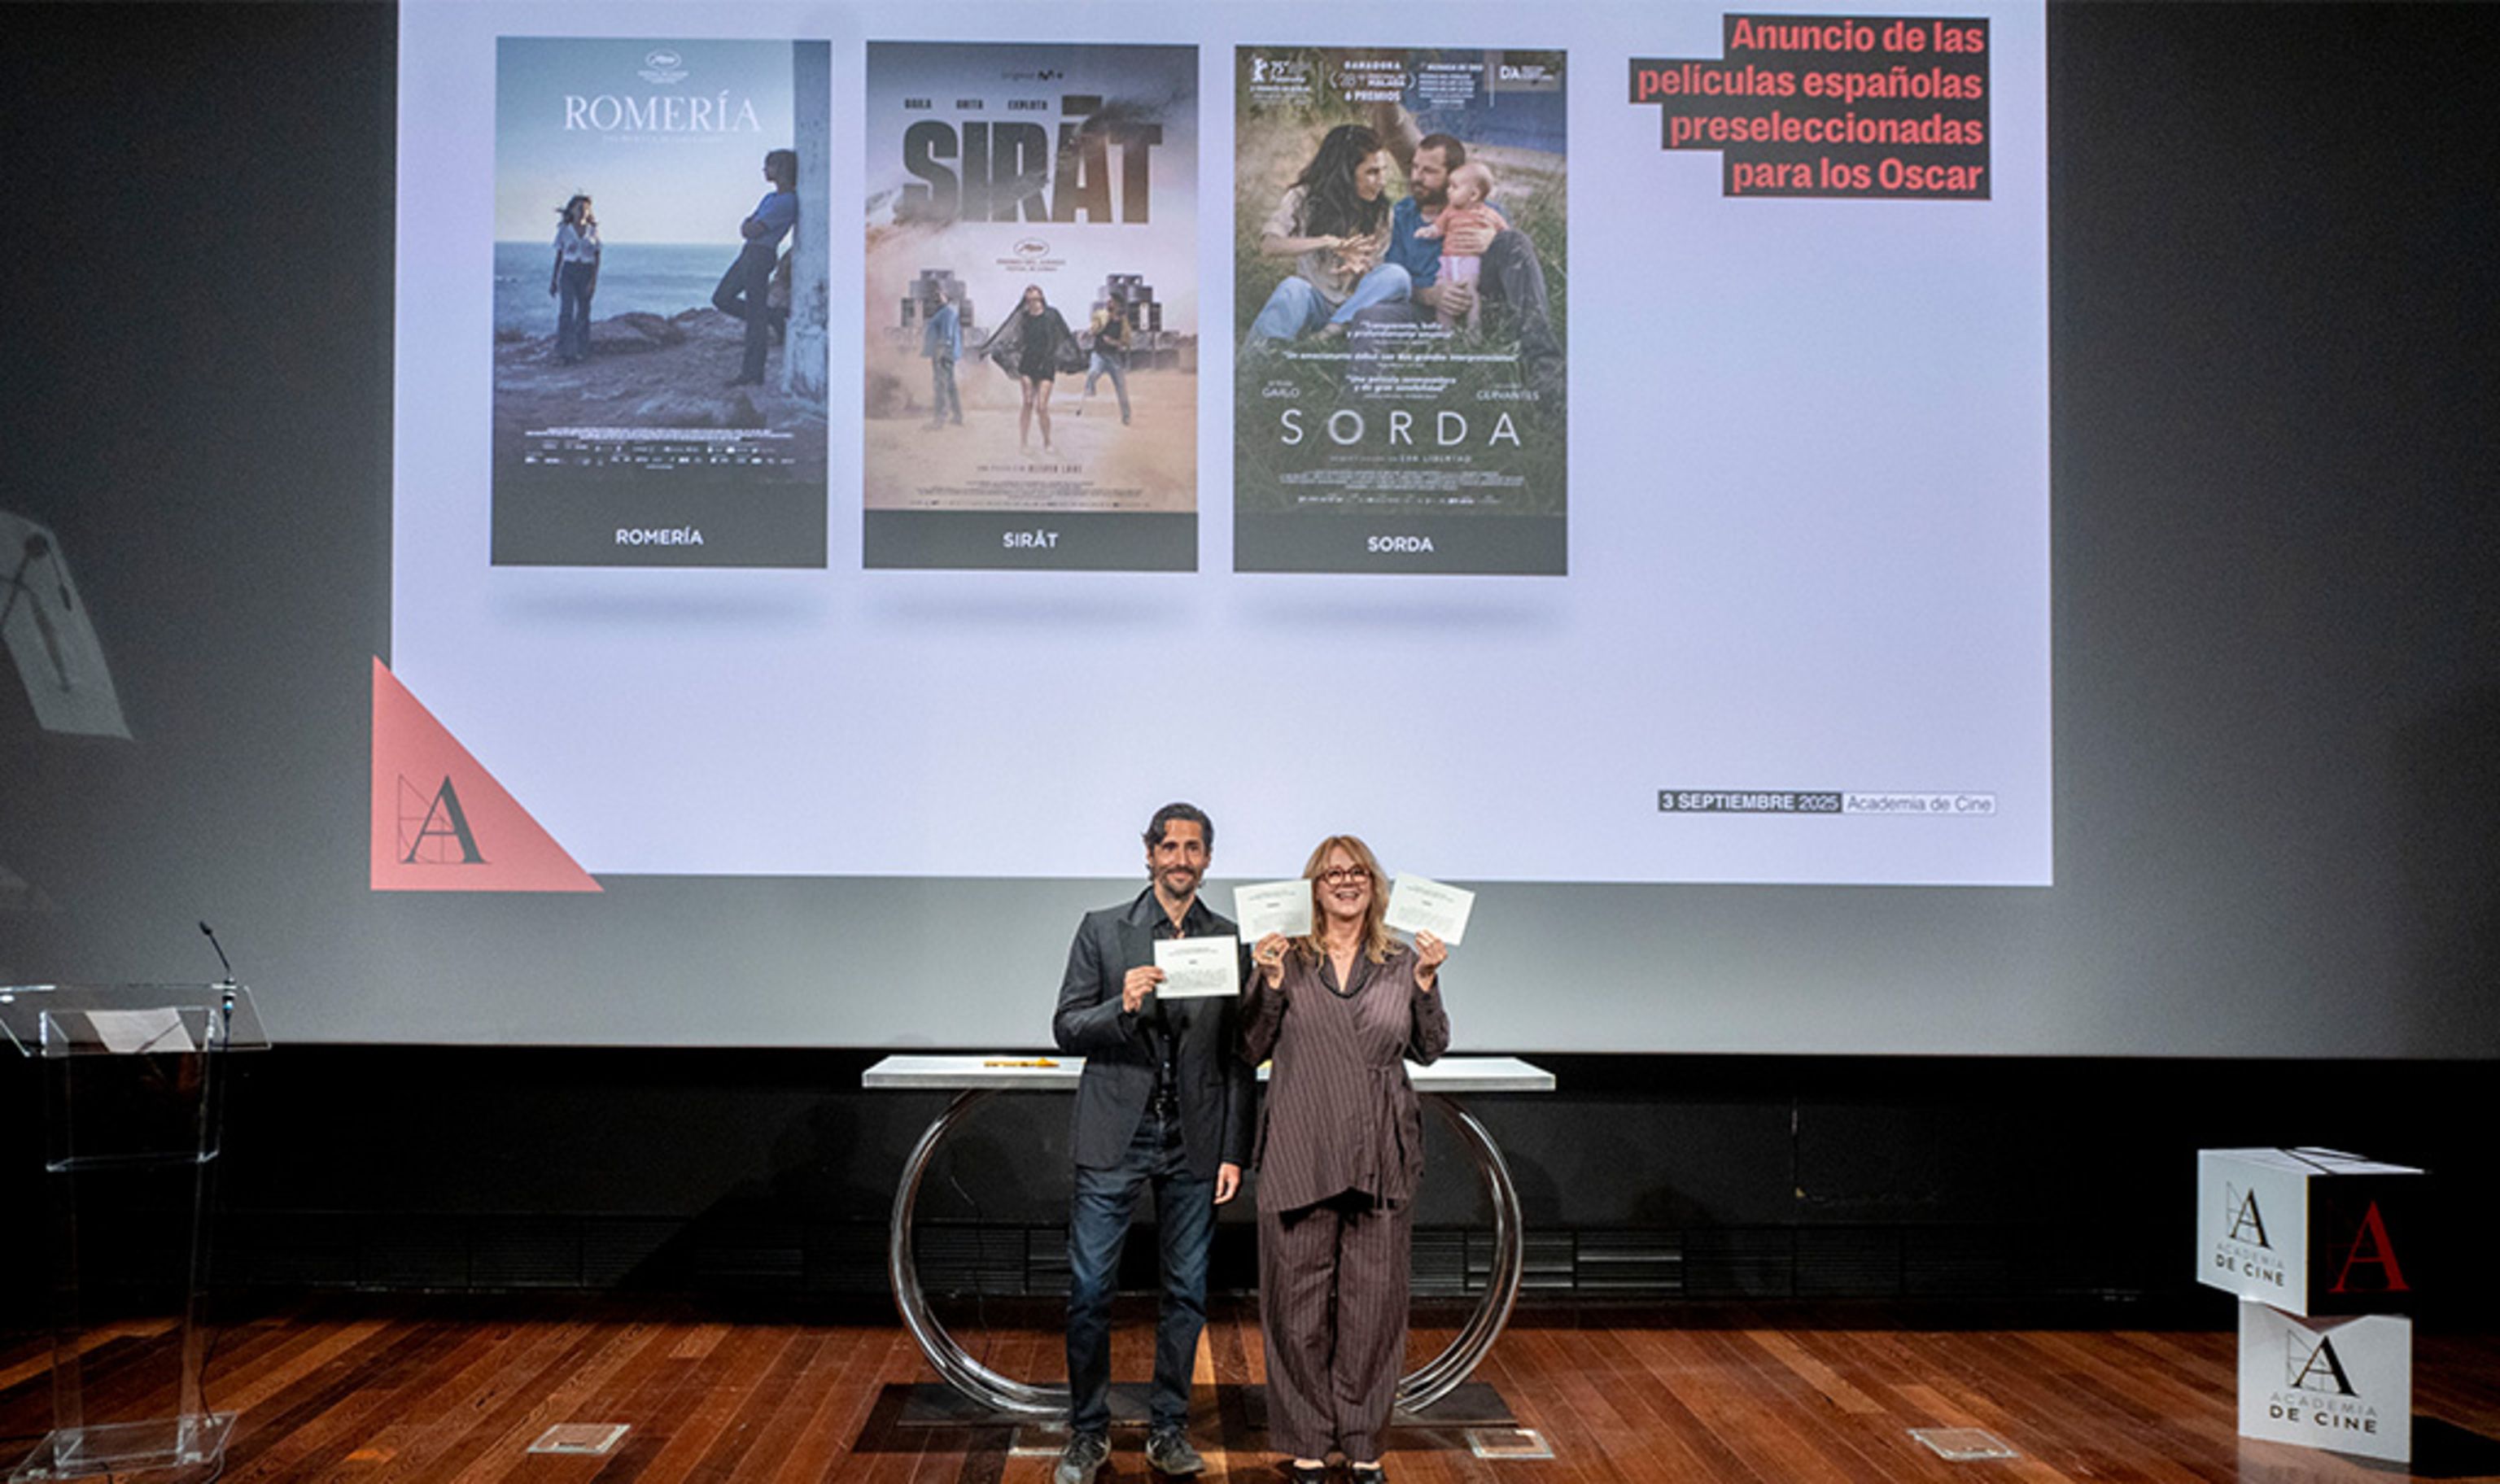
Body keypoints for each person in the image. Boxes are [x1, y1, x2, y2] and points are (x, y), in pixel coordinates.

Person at [1050, 803, 1254, 1484]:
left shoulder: (1228, 939)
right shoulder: (1104, 930)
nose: (1181, 859)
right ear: (1148, 854)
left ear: (1208, 860)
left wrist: (1234, 1149)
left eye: (1194, 849)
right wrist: (1122, 1006)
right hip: (1117, 1132)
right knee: (1089, 1291)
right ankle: (1087, 1432)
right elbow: (1067, 1027)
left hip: (1192, 1139)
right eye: (1169, 847)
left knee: (1188, 1293)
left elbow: (1236, 1058)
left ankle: (1169, 1429)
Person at [1243, 835, 1451, 1484]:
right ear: (1313, 885)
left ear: (1375, 884)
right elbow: (1249, 1046)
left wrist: (1426, 983)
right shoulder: (1285, 958)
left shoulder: (1401, 960)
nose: (1345, 881)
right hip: (1301, 1147)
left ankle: (1362, 1443)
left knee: (1372, 1307)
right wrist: (1269, 983)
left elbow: (1431, 1047)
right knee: (1295, 1305)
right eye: (1332, 872)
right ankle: (1307, 1439)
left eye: (1357, 871)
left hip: (1379, 1155)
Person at [1368, 132, 1563, 403]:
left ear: (1453, 175)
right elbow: (1392, 279)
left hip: (1481, 308)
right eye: (1414, 168)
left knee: (1514, 241)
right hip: (1426, 313)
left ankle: (1545, 373)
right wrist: (1430, 294)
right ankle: (1369, 407)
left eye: (1428, 171)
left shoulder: (1487, 211)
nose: (1416, 178)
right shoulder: (1401, 215)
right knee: (1373, 315)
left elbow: (1517, 266)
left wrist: (1494, 241)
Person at [1245, 124, 1413, 343]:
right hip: (1314, 305)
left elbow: (1372, 286)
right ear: (1344, 172)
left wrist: (1360, 270)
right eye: (1372, 172)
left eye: (1383, 170)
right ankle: (1257, 361)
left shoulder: (1382, 212)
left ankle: (1328, 334)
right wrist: (1325, 242)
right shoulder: (1302, 198)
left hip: (1354, 310)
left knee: (1397, 275)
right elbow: (1269, 246)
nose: (1382, 181)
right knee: (1292, 288)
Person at [711, 148, 798, 387]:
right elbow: (747, 226)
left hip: (761, 255)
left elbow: (753, 228)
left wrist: (749, 225)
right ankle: (775, 317)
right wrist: (749, 226)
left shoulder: (787, 202)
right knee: (721, 298)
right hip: (748, 252)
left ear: (781, 169)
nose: (764, 170)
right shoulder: (770, 199)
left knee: (754, 321)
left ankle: (752, 373)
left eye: (769, 165)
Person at [981, 284, 1082, 452]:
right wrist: (993, 349)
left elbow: (1064, 336)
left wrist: (1072, 356)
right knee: (1027, 402)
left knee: (1041, 407)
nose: (1033, 303)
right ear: (1026, 301)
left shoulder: (1052, 315)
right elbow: (1008, 334)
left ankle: (1047, 442)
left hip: (1046, 364)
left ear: (1042, 298)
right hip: (1028, 363)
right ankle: (1024, 442)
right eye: (1030, 300)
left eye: (1036, 299)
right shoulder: (1023, 317)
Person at [1409, 161, 1503, 331]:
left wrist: (1493, 237)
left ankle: (1473, 331)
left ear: (1473, 194)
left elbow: (1506, 235)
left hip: (1469, 260)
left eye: (1454, 187)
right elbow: (1438, 227)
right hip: (1446, 261)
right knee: (1444, 294)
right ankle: (1445, 333)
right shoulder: (1450, 211)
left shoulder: (1489, 214)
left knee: (1469, 293)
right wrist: (1427, 231)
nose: (1448, 190)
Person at [548, 194, 600, 364]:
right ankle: (564, 352)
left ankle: (582, 351)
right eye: (579, 208)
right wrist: (554, 281)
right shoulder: (564, 230)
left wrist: (593, 281)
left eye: (586, 208)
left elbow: (598, 255)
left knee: (583, 313)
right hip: (568, 272)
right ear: (572, 210)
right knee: (566, 312)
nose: (582, 211)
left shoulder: (593, 230)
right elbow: (559, 256)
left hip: (586, 271)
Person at [1078, 294, 1133, 424]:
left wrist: (1113, 342)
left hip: (1114, 358)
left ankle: (1126, 416)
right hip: (1099, 354)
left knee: (1121, 389)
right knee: (1093, 372)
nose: (1109, 303)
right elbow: (1094, 328)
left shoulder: (1123, 322)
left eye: (1112, 301)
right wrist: (1088, 333)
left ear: (1118, 305)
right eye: (1109, 300)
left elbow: (1126, 342)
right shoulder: (1101, 315)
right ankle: (1090, 389)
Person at [920, 284, 962, 430]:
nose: (937, 296)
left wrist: (941, 351)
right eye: (935, 294)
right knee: (949, 384)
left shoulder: (947, 312)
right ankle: (957, 416)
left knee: (940, 385)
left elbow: (947, 335)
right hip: (945, 351)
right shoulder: (944, 312)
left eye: (940, 294)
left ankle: (939, 420)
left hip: (943, 351)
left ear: (947, 296)